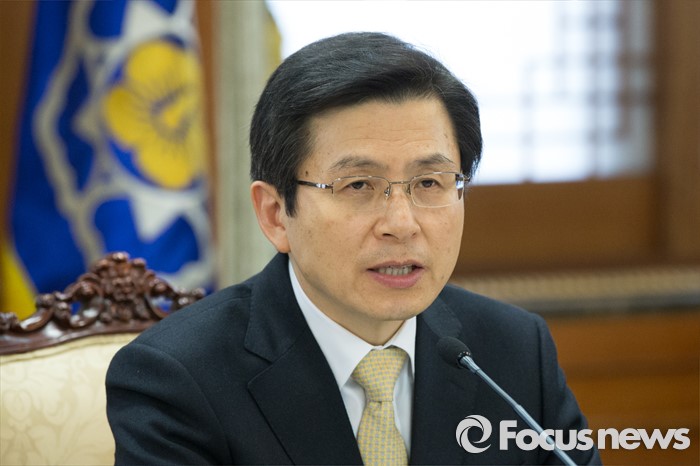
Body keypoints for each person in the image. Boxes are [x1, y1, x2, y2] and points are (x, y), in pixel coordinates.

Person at [106, 32, 601, 465]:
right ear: (276, 214)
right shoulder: (178, 380)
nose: (401, 224)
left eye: (430, 182)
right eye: (359, 185)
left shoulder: (513, 352)